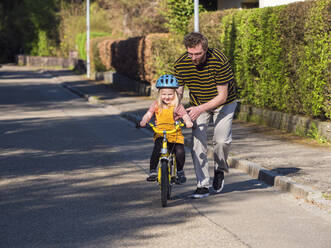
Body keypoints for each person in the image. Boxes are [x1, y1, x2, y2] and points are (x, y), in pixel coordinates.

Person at [174, 32, 237, 198]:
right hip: (198, 103)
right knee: (197, 142)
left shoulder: (218, 60)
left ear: (206, 50)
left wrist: (199, 108)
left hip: (224, 103)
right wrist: (177, 106)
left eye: (198, 54)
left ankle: (219, 169)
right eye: (190, 53)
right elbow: (179, 92)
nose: (193, 58)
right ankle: (202, 184)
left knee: (222, 141)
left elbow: (222, 96)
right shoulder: (181, 63)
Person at [140, 74, 193, 184]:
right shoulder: (156, 104)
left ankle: (180, 171)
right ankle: (153, 170)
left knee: (179, 151)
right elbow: (148, 114)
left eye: (170, 94)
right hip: (160, 133)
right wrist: (144, 120)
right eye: (164, 94)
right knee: (157, 150)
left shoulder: (177, 106)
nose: (167, 97)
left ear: (175, 94)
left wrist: (188, 121)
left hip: (174, 134)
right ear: (159, 94)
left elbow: (185, 115)